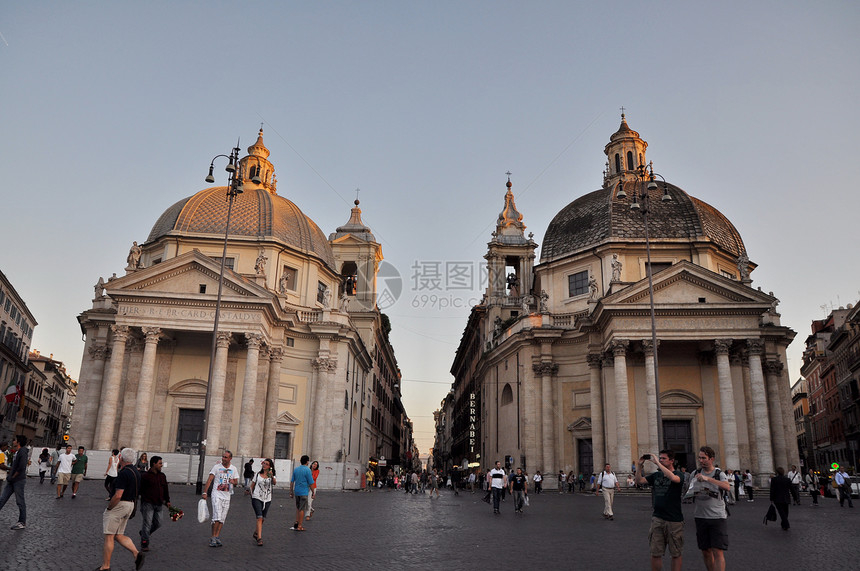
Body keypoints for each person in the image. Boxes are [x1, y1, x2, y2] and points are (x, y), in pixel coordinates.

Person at [684, 446, 731, 571]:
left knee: (718, 551)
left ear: (711, 459)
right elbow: (690, 489)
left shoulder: (718, 473)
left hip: (717, 517)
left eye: (704, 458)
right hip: (700, 516)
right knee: (705, 551)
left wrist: (708, 479)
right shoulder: (694, 473)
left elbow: (727, 487)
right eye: (699, 458)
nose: (701, 460)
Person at [97, 447, 145, 570]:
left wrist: (109, 507)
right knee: (118, 535)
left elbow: (118, 495)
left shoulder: (124, 473)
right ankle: (136, 553)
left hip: (120, 505)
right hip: (130, 505)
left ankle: (105, 566)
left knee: (109, 536)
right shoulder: (136, 473)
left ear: (121, 458)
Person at [637, 451, 684, 571]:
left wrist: (657, 462)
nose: (661, 460)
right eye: (660, 458)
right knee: (655, 553)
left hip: (674, 520)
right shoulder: (656, 475)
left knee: (675, 553)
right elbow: (640, 481)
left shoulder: (679, 474)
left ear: (671, 461)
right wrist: (639, 466)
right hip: (657, 518)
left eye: (663, 458)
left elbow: (674, 478)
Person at [201, 450, 239, 547]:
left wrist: (233, 481)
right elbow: (210, 479)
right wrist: (205, 492)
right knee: (217, 516)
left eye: (226, 457)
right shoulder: (216, 467)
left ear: (230, 458)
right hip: (216, 494)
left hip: (227, 495)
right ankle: (213, 537)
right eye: (223, 457)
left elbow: (236, 481)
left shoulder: (233, 468)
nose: (223, 458)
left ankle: (217, 536)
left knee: (222, 518)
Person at [139, 455, 170, 552]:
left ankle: (144, 533)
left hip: (159, 503)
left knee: (158, 523)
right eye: (160, 463)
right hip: (148, 503)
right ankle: (144, 543)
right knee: (147, 524)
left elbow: (165, 489)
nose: (161, 465)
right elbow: (140, 490)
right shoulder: (145, 476)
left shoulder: (162, 476)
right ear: (154, 464)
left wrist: (167, 501)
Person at [0, 435, 29, 530]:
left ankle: (22, 522)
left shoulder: (23, 452)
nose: (13, 441)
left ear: (19, 442)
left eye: (15, 440)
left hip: (18, 480)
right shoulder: (18, 452)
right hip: (12, 480)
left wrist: (13, 476)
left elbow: (21, 467)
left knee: (20, 501)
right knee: (2, 499)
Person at [250, 458, 275, 546]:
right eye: (263, 463)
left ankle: (256, 532)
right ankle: (259, 538)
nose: (264, 465)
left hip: (267, 499)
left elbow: (274, 483)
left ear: (270, 466)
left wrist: (271, 476)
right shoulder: (257, 474)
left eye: (266, 464)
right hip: (257, 497)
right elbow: (252, 486)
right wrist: (252, 495)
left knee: (263, 518)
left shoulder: (271, 475)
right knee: (259, 517)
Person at [290, 455, 314, 531]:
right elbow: (311, 482)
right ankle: (300, 525)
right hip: (304, 492)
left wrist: (291, 491)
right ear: (307, 461)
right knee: (302, 509)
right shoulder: (308, 470)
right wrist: (313, 492)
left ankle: (296, 522)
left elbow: (292, 482)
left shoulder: (296, 469)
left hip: (296, 491)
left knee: (298, 508)